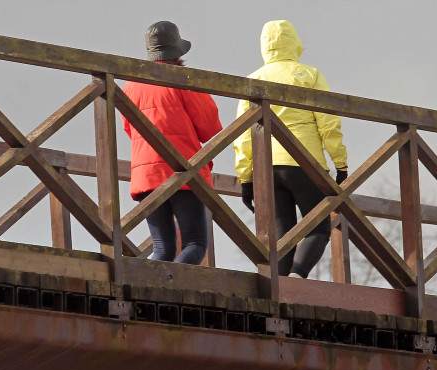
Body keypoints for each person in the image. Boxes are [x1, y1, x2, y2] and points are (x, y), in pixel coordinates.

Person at [233, 20, 348, 278]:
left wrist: (246, 179)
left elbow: (242, 136)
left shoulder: (253, 78)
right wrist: (340, 163)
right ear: (294, 42)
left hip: (267, 167)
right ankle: (297, 275)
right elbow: (328, 123)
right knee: (318, 227)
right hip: (305, 164)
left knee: (282, 234)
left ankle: (280, 287)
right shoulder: (310, 75)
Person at [122, 21, 223, 265]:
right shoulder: (184, 79)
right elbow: (209, 128)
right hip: (184, 173)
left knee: (162, 248)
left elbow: (129, 129)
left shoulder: (130, 85)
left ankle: (151, 290)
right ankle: (170, 285)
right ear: (177, 51)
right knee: (195, 243)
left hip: (146, 175)